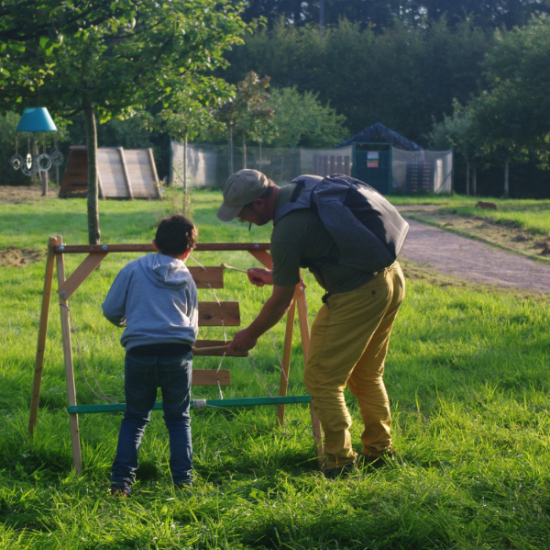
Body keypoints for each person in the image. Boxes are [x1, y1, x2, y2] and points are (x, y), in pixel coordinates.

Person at [217, 169, 405, 478]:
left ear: (260, 204)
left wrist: (250, 334)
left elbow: (282, 299)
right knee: (367, 374)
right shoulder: (305, 186)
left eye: (243, 214)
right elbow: (321, 244)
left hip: (358, 293)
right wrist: (275, 275)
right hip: (391, 277)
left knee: (321, 378)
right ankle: (379, 451)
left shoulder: (286, 230)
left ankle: (339, 463)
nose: (244, 221)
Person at [102, 214, 199, 496]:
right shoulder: (186, 277)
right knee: (179, 418)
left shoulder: (133, 269)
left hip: (140, 352)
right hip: (178, 355)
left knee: (134, 418)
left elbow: (111, 310)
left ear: (154, 243)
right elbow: (192, 323)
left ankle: (121, 483)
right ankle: (183, 482)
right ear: (189, 251)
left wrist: (127, 321)